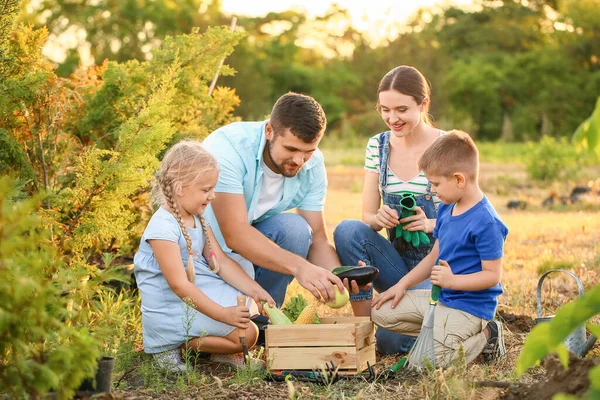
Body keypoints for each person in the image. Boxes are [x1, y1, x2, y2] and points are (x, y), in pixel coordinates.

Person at [202, 92, 364, 337]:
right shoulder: (228, 149)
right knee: (211, 329)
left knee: (296, 229)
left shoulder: (313, 164)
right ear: (269, 131)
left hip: (248, 252)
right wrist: (301, 268)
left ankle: (264, 319)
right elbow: (234, 234)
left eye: (308, 151)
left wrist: (336, 278)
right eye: (291, 148)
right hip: (205, 253)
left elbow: (318, 239)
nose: (299, 160)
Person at [133, 140, 275, 372]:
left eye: (213, 189)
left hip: (193, 293)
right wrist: (222, 314)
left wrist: (255, 290)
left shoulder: (197, 218)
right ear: (180, 188)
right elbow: (179, 286)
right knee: (247, 334)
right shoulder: (162, 228)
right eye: (206, 190)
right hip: (171, 306)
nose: (213, 196)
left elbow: (221, 262)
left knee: (246, 316)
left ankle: (218, 353)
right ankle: (173, 344)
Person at [371, 130, 508, 366]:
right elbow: (434, 256)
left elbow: (492, 276)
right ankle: (440, 338)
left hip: (470, 309)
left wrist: (453, 281)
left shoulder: (487, 223)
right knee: (380, 312)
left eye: (435, 184)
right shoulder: (448, 207)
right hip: (443, 299)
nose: (432, 191)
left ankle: (486, 337)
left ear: (459, 179)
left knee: (422, 365)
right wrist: (401, 285)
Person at [333, 65, 444, 354]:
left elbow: (468, 219)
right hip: (397, 265)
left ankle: (445, 321)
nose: (392, 119)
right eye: (385, 109)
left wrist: (432, 223)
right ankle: (364, 329)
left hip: (436, 268)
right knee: (348, 230)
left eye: (402, 110)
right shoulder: (377, 146)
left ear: (423, 104)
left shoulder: (447, 146)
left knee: (392, 342)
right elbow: (367, 216)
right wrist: (377, 218)